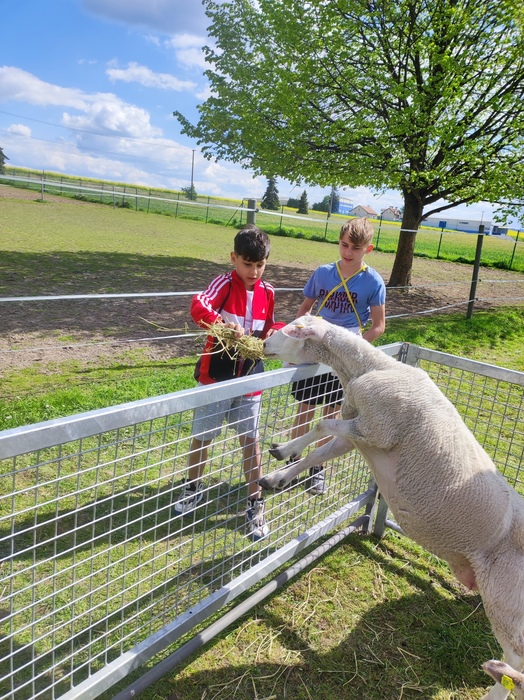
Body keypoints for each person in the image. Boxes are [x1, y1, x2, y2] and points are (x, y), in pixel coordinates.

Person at [173, 224, 283, 541]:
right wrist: (222, 326)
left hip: (250, 379)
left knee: (250, 440)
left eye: (260, 265)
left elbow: (269, 325)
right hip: (216, 377)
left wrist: (276, 330)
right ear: (234, 258)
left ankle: (255, 502)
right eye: (247, 264)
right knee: (203, 435)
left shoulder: (268, 292)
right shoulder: (223, 283)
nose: (253, 271)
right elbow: (199, 305)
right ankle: (193, 487)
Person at [288, 217, 386, 495]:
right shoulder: (323, 273)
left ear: (368, 249)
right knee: (305, 408)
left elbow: (378, 326)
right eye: (344, 245)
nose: (348, 252)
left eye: (355, 248)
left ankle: (317, 469)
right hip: (315, 347)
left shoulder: (373, 281)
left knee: (331, 414)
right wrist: (298, 337)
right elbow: (304, 310)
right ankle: (292, 463)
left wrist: (352, 348)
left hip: (344, 355)